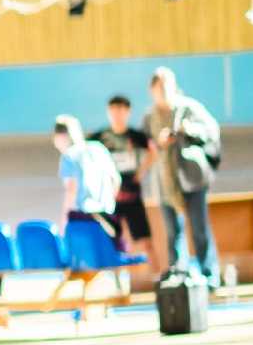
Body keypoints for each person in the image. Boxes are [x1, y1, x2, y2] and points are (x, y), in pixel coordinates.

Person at [147, 67, 222, 282]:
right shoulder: (149, 117)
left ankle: (209, 274)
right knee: (173, 232)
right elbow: (149, 146)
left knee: (199, 228)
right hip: (165, 182)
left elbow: (211, 131)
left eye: (167, 86)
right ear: (152, 90)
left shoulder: (189, 108)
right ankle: (178, 272)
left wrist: (188, 130)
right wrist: (160, 143)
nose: (163, 91)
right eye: (159, 87)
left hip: (192, 178)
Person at [93, 95, 157, 266]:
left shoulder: (136, 136)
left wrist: (140, 173)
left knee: (145, 240)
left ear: (128, 112)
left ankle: (157, 277)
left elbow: (154, 150)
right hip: (110, 198)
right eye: (113, 110)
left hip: (132, 196)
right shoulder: (100, 137)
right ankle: (114, 281)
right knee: (112, 241)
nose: (117, 114)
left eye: (121, 110)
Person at [54, 116, 120, 232]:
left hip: (82, 217)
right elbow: (116, 180)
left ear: (60, 137)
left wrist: (64, 221)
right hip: (107, 214)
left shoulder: (69, 156)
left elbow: (71, 189)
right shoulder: (99, 148)